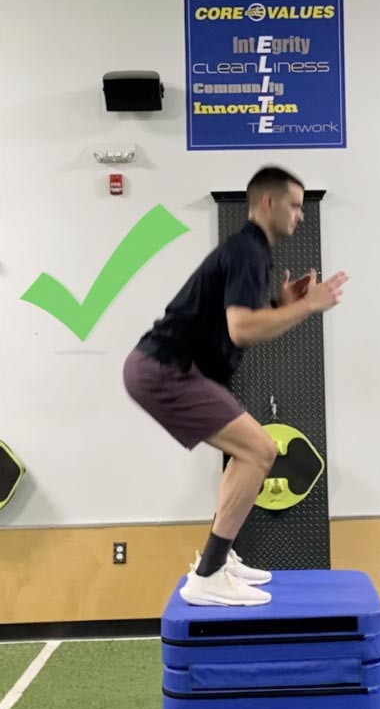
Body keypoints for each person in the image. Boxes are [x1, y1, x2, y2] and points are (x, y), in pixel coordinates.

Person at [123, 166, 348, 607]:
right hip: (165, 368)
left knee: (244, 451)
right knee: (261, 449)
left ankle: (218, 560)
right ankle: (207, 574)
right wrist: (309, 307)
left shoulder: (249, 251)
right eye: (295, 206)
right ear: (268, 202)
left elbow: (232, 320)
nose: (300, 216)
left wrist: (279, 305)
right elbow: (242, 328)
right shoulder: (248, 249)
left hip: (168, 368)